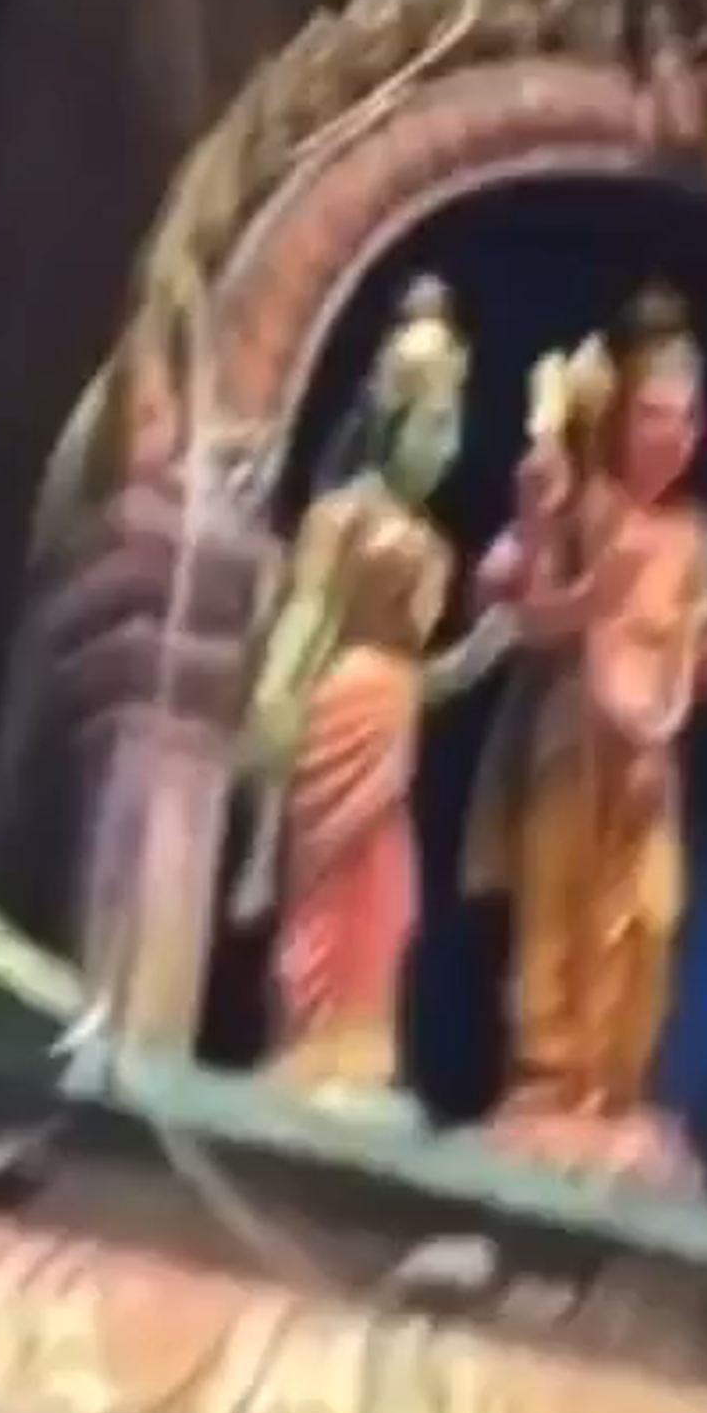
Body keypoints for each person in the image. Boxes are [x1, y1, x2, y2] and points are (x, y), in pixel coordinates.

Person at [465, 288, 707, 1159]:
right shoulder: (585, 502)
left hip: (651, 760)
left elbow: (694, 659)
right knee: (558, 904)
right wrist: (583, 586)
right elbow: (525, 618)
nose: (673, 435)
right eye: (655, 415)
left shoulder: (697, 534)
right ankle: (547, 1078)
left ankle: (615, 1089)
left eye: (688, 419)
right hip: (569, 739)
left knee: (649, 919)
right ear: (620, 414)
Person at [238, 277, 488, 1106]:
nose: (446, 444)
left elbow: (421, 673)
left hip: (392, 726)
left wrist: (483, 650)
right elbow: (309, 616)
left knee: (388, 901)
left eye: (454, 425)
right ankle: (306, 1049)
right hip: (336, 714)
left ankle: (358, 1059)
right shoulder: (341, 516)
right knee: (322, 893)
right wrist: (274, 697)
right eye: (433, 422)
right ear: (392, 417)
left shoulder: (435, 546)